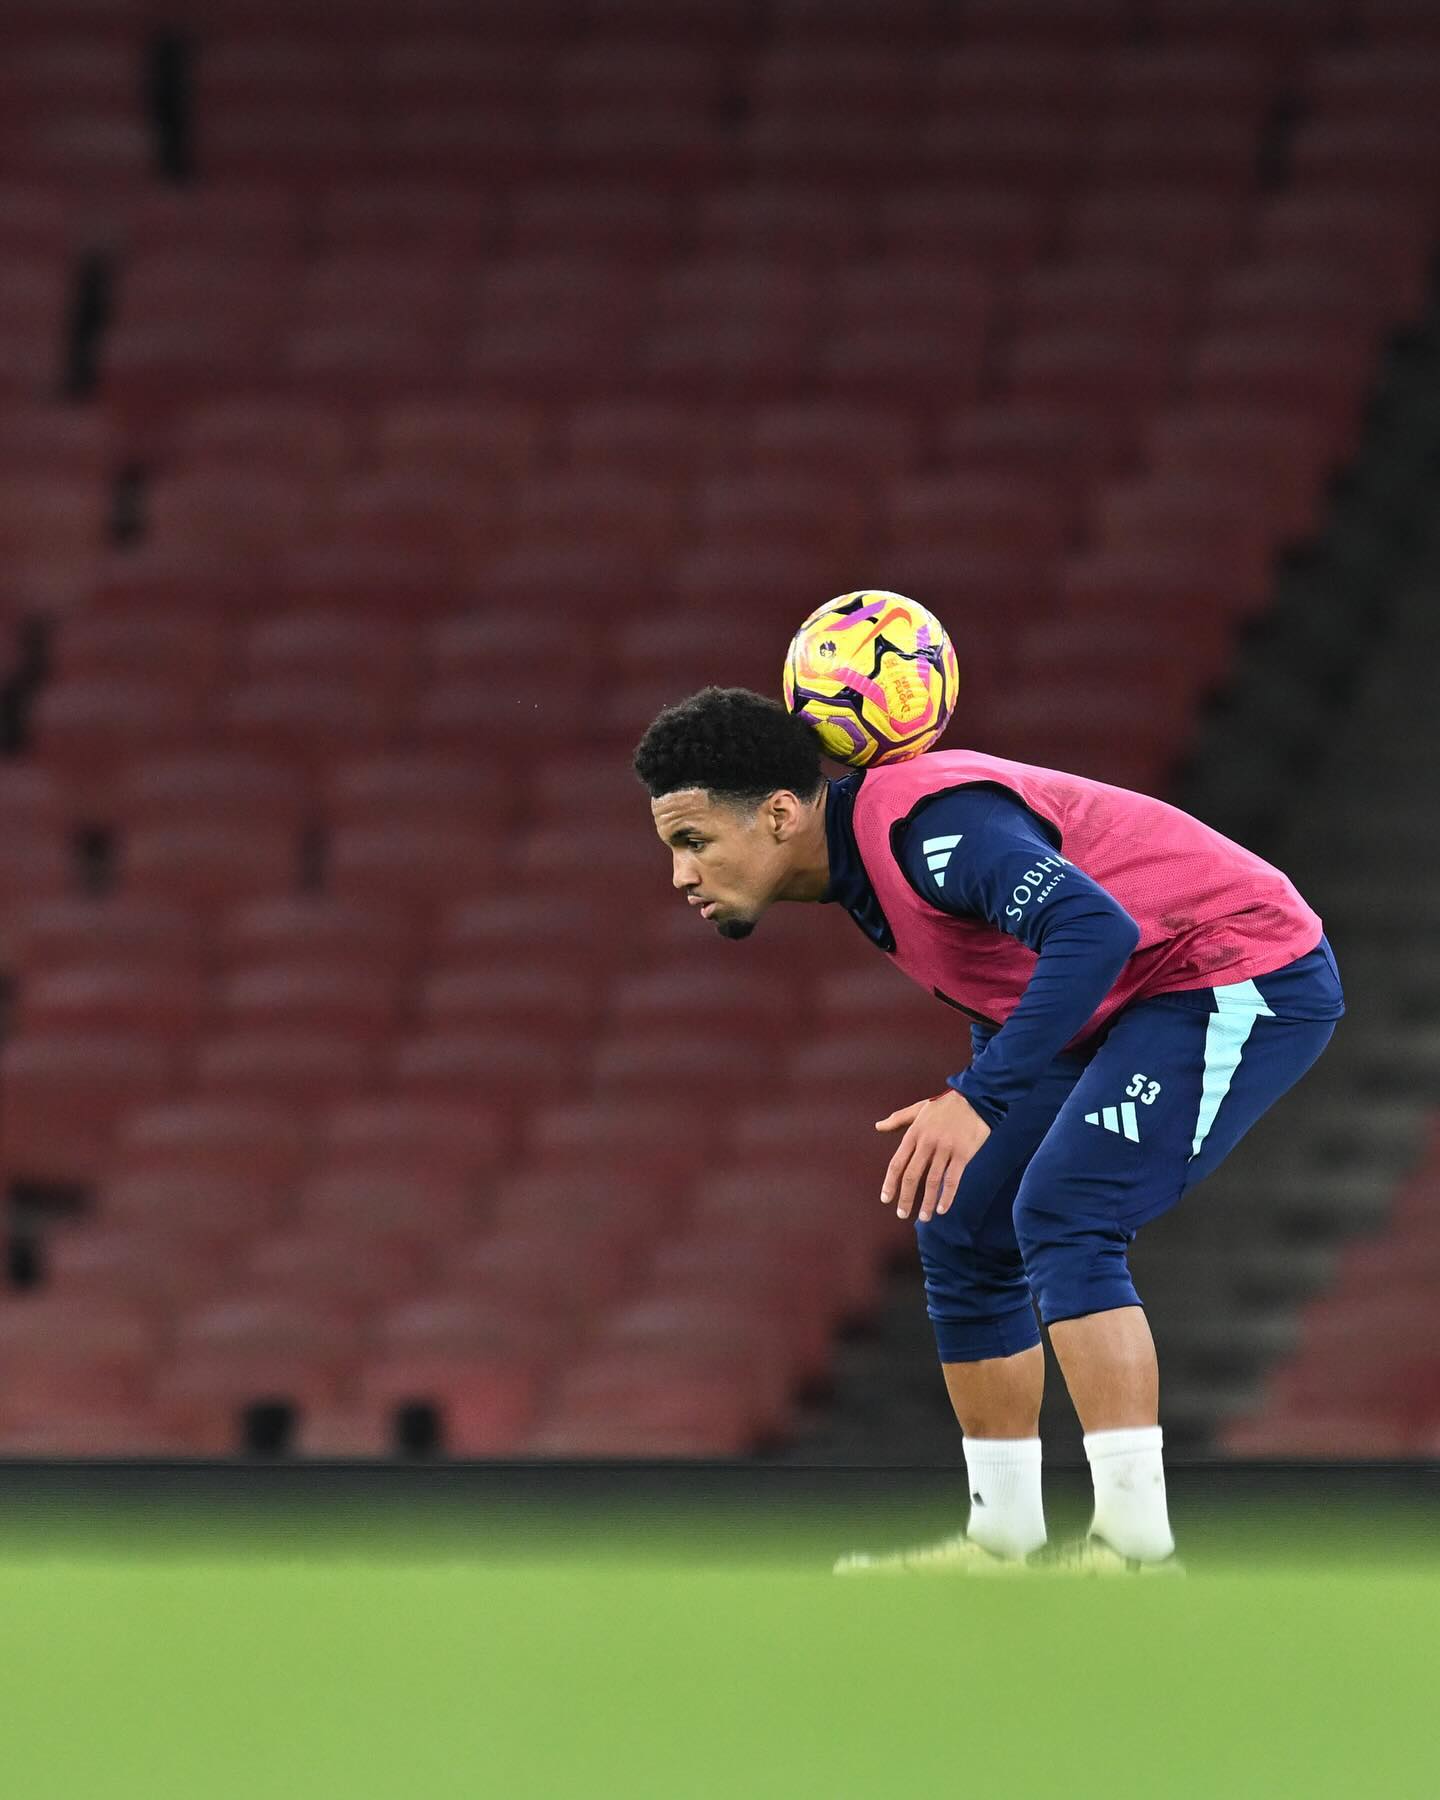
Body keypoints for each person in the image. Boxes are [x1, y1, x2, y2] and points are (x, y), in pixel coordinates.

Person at [632, 686, 1344, 1574]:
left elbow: (1093, 928)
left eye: (692, 842)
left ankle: (1136, 1550)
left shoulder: (928, 828)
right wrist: (987, 1099)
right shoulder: (865, 863)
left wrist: (979, 1097)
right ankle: (1003, 1541)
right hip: (1135, 994)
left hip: (1237, 966)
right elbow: (1007, 974)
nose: (681, 876)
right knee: (963, 1215)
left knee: (1066, 1211)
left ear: (778, 814)